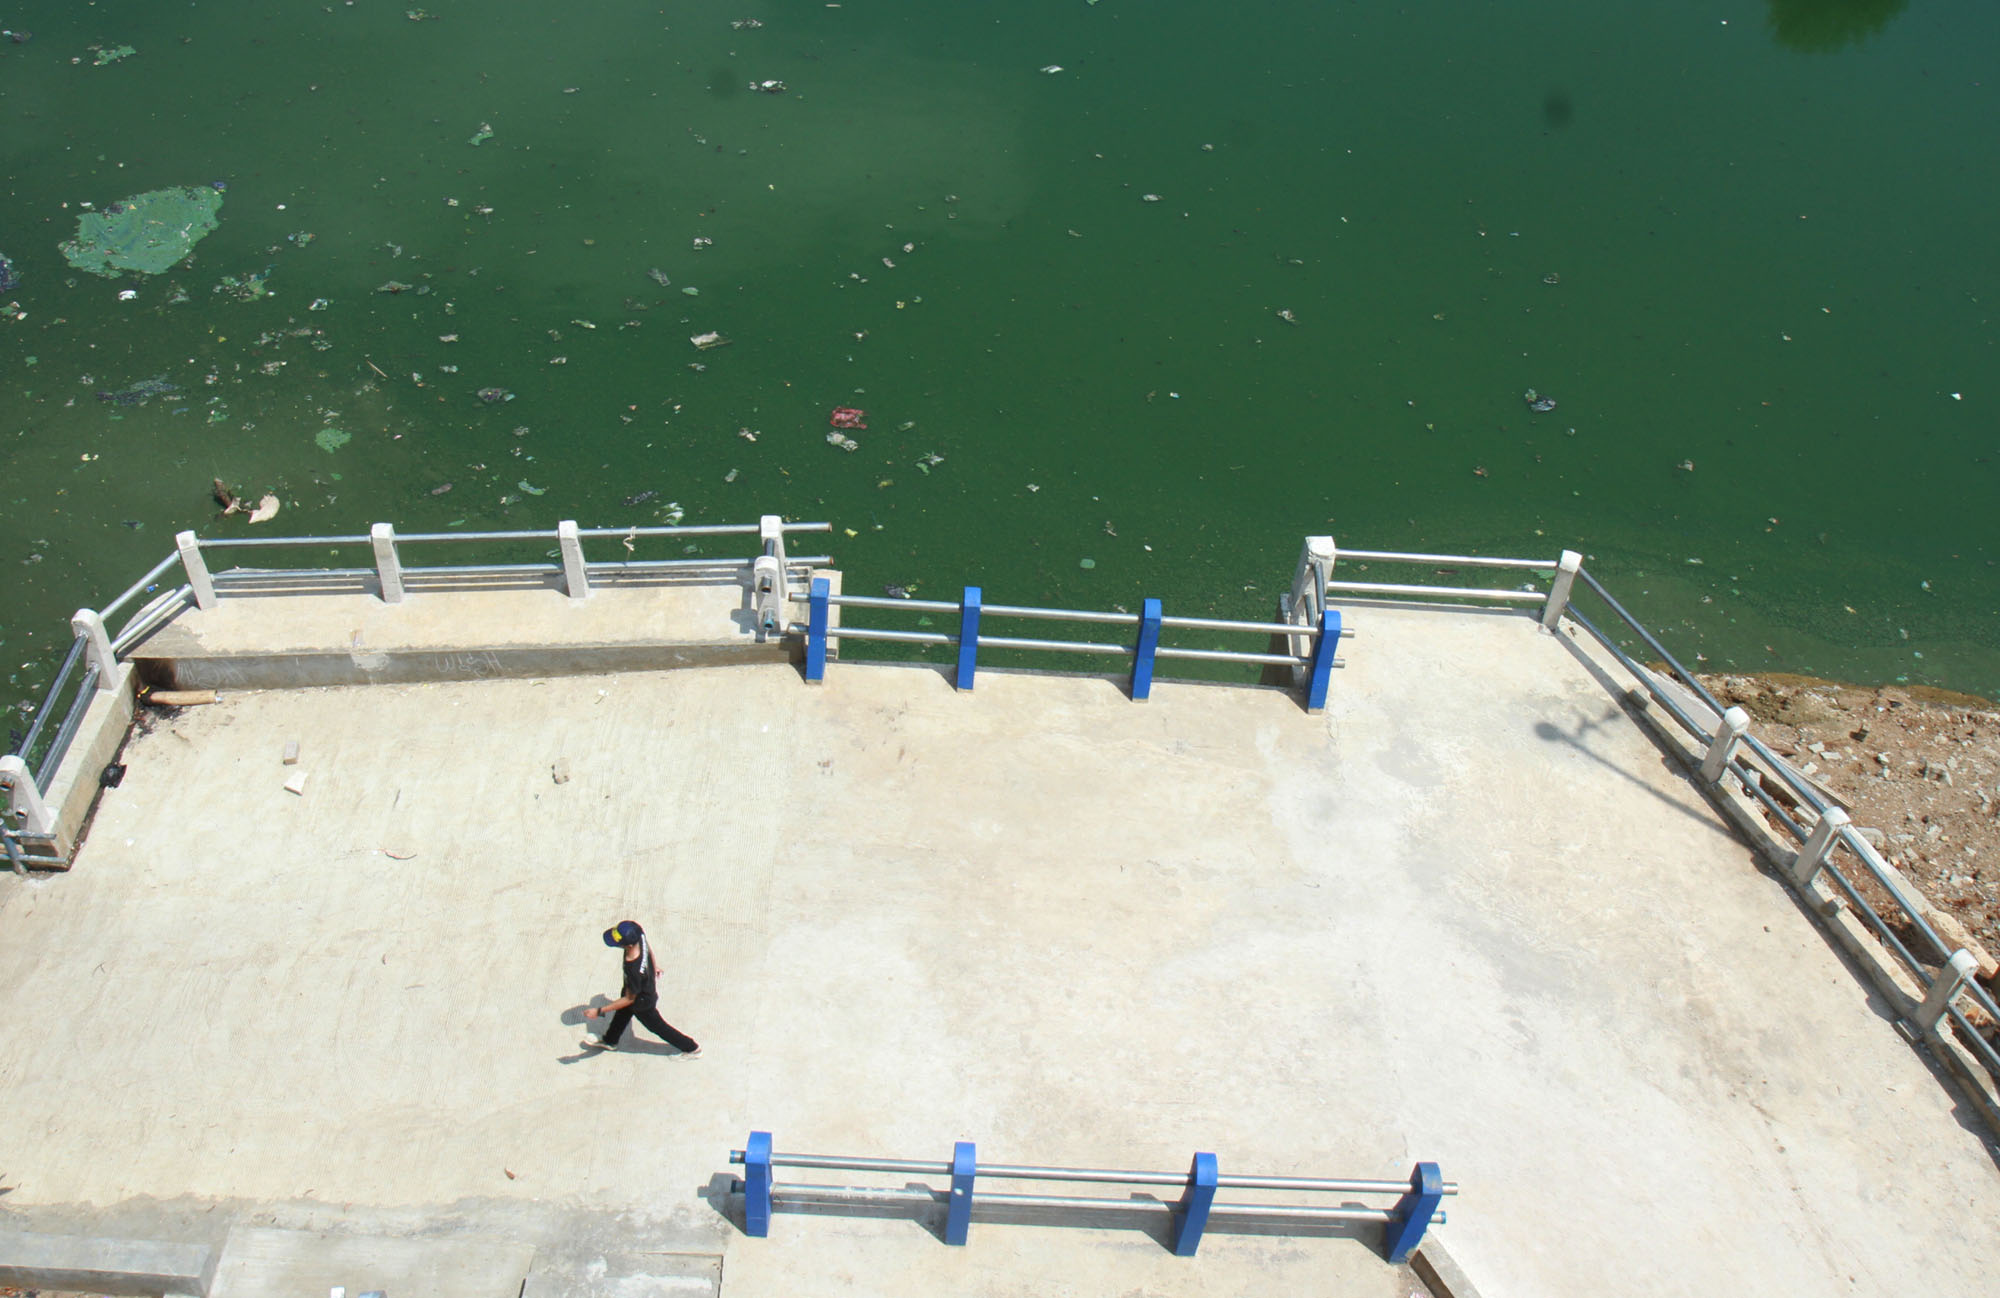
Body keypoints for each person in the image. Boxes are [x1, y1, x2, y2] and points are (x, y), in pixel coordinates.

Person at [583, 920, 700, 1056]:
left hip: (642, 1002)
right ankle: (610, 1041)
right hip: (637, 989)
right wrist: (652, 967)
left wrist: (599, 1010)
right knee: (622, 1013)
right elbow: (649, 951)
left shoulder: (632, 967)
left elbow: (629, 998)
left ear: (629, 945)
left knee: (658, 1027)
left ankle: (692, 1048)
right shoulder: (638, 933)